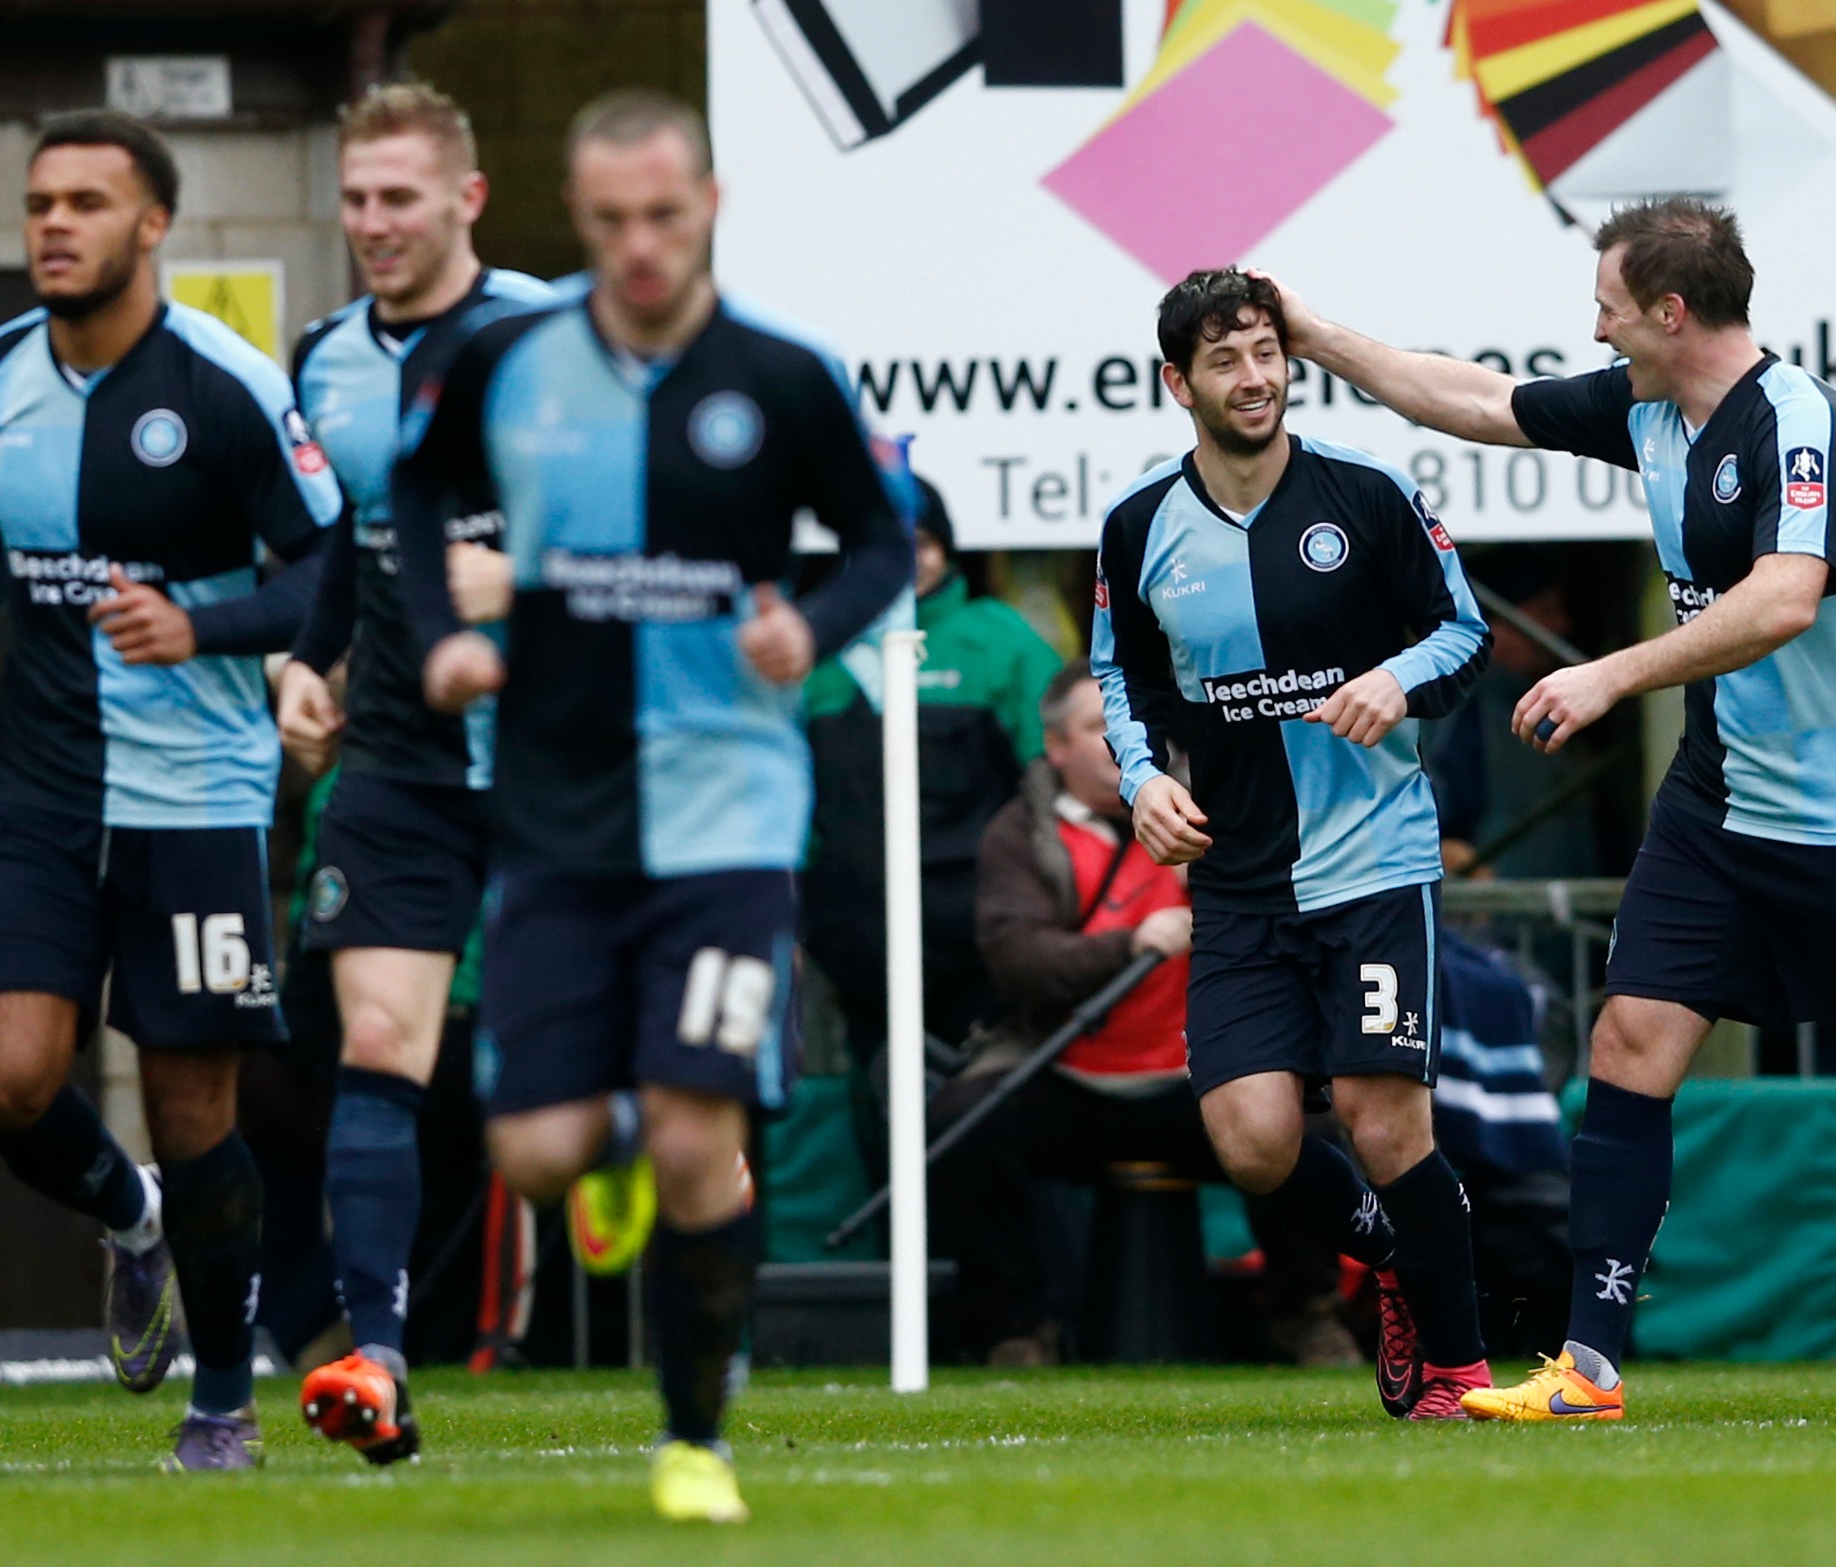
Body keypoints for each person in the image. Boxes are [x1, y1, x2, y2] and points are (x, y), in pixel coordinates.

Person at [1274, 196, 1836, 1420]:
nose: (1595, 325)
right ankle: (1591, 1368)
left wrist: (1610, 671)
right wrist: (1312, 334)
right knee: (1629, 1042)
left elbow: (1783, 598)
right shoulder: (1651, 407)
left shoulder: (1803, 425)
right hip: (1719, 798)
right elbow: (1468, 398)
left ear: (1670, 311)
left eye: (1608, 305)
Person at [394, 90, 913, 1520]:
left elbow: (884, 537)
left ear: (709, 206)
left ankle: (695, 1438)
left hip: (729, 810)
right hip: (557, 805)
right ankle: (606, 1138)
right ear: (576, 211)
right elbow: (419, 499)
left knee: (703, 1135)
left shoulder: (783, 376)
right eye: (609, 220)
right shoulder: (506, 358)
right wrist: (445, 630)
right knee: (534, 1150)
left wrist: (810, 628)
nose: (636, 246)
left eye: (661, 217)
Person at [0, 110, 344, 1470]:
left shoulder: (222, 383)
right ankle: (129, 1216)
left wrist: (200, 630)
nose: (53, 224)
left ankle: (222, 1406)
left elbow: (322, 570)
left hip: (196, 792)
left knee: (199, 1108)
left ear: (152, 226)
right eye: (40, 201)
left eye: (86, 202)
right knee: (8, 1078)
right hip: (41, 789)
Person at [1092, 269, 1494, 1419]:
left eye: (1266, 351)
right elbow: (1120, 675)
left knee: (1381, 1118)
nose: (1254, 376)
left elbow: (1462, 634)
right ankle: (1399, 1262)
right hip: (1239, 882)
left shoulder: (1366, 496)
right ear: (1179, 383)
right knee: (1253, 1142)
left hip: (1372, 861)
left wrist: (1394, 680)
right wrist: (1136, 781)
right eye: (1225, 360)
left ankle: (1461, 1379)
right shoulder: (1139, 527)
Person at [268, 80, 554, 1466]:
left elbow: (678, 534)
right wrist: (304, 664)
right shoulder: (324, 353)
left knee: (580, 1102)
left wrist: (533, 576)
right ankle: (374, 1353)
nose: (373, 223)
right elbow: (348, 534)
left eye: (400, 197)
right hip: (396, 756)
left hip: (563, 753)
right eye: (356, 197)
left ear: (466, 200)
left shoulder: (557, 339)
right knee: (377, 1045)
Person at [943, 666, 1354, 1367]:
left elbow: (1307, 928)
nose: (1122, 745)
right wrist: (1129, 945)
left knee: (1308, 1124)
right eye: (1100, 730)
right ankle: (1015, 1327)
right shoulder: (1018, 834)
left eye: (1136, 729)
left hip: (1205, 1072)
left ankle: (1306, 1315)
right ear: (1054, 747)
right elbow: (1018, 962)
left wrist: (1231, 896)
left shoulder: (1224, 808)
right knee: (960, 1120)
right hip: (1069, 1074)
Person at [803, 473, 1059, 1176]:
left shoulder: (998, 639)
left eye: (918, 543)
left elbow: (1054, 780)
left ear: (946, 550)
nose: (904, 560)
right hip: (855, 947)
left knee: (983, 1123)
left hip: (980, 944)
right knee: (879, 1122)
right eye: (882, 546)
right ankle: (894, 1278)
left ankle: (995, 1283)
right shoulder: (816, 653)